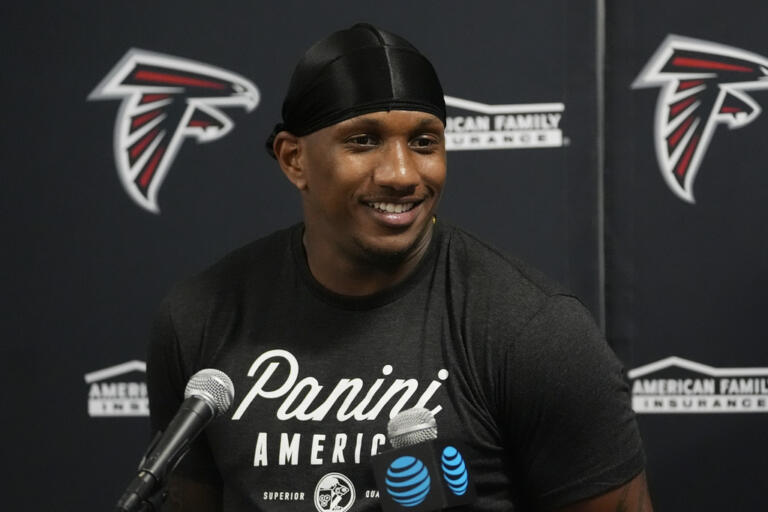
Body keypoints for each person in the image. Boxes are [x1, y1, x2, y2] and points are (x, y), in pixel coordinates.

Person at [147, 23, 652, 512]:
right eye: (363, 140)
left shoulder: (535, 331)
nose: (402, 174)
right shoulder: (200, 317)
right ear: (293, 159)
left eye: (424, 142)